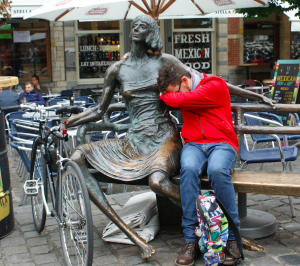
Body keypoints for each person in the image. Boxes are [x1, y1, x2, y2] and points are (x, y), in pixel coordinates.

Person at [66, 14, 274, 261]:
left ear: (151, 32)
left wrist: (257, 97)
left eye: (143, 26)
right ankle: (154, 236)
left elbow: (207, 84)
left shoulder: (167, 63)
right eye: (134, 25)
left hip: (167, 136)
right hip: (137, 140)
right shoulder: (117, 69)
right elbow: (99, 110)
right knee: (78, 155)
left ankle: (223, 230)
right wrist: (71, 120)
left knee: (182, 177)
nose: (136, 28)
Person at [158, 62, 241, 266]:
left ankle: (232, 239)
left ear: (185, 81)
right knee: (188, 170)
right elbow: (177, 97)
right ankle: (191, 240)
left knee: (217, 170)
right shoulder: (182, 88)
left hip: (222, 143)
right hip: (194, 144)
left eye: (175, 91)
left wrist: (166, 96)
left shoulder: (215, 84)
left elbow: (188, 98)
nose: (174, 97)